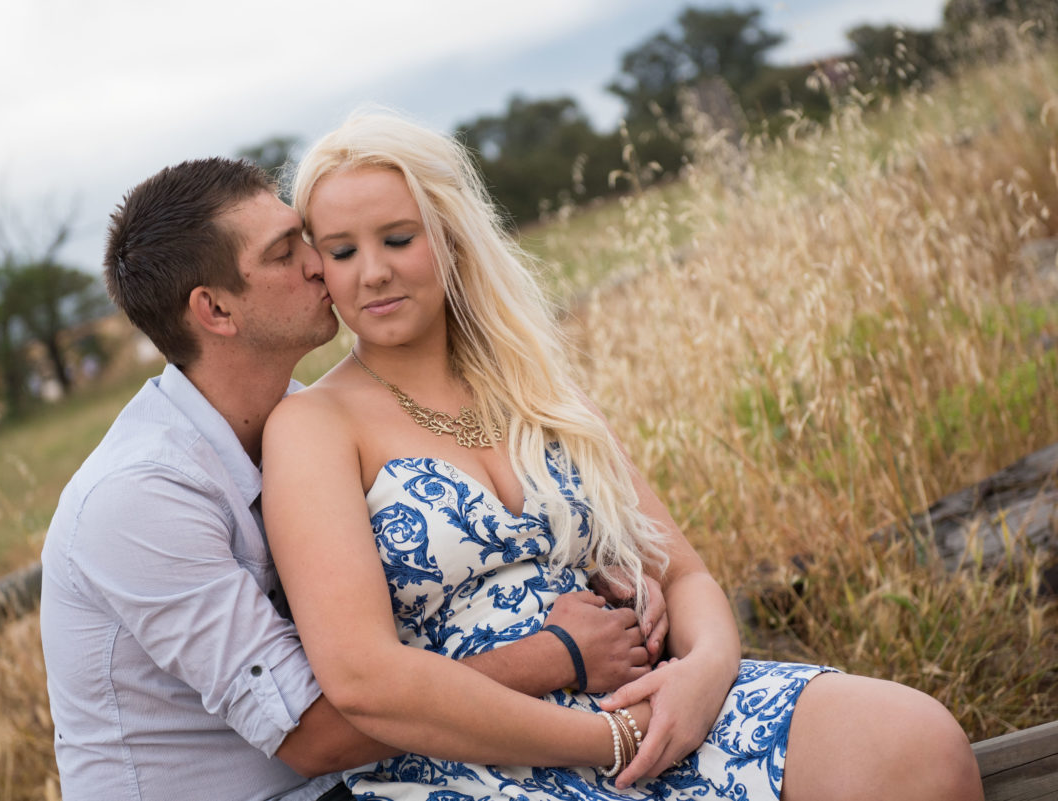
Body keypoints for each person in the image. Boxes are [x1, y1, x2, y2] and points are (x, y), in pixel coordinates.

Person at [260, 111, 985, 801]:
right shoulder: (312, 425)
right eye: (343, 250)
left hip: (649, 707)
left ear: (449, 237)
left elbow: (685, 570)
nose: (374, 272)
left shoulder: (537, 389)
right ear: (318, 266)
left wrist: (702, 674)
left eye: (397, 238)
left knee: (913, 741)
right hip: (470, 758)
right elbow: (364, 676)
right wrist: (600, 736)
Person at [38, 157, 669, 801]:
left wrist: (597, 574)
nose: (320, 263)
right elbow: (315, 737)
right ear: (216, 309)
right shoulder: (138, 499)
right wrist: (554, 652)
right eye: (286, 252)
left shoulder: (303, 417)